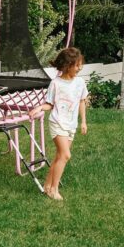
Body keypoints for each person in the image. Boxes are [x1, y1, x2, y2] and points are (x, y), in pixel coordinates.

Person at [29, 47, 88, 200]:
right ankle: (54, 190)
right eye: (76, 65)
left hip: (71, 124)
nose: (79, 68)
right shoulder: (55, 83)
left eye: (80, 64)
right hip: (57, 122)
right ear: (67, 65)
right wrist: (40, 107)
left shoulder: (80, 82)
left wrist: (83, 122)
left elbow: (82, 101)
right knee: (65, 155)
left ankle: (47, 186)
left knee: (59, 157)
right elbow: (50, 104)